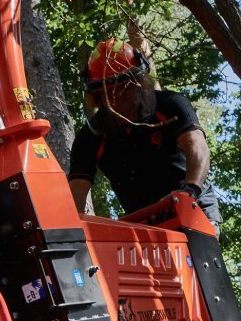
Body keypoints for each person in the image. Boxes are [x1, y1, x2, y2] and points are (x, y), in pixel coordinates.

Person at [66, 39, 219, 227]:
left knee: (198, 251)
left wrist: (191, 189)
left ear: (139, 83)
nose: (118, 98)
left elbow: (196, 146)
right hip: (144, 221)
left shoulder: (170, 105)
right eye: (109, 91)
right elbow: (76, 193)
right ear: (97, 96)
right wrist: (73, 230)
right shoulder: (92, 136)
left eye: (124, 87)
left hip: (194, 203)